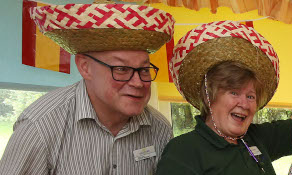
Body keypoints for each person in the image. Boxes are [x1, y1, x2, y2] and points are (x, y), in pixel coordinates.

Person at [0, 3, 175, 175]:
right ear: (85, 67)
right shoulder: (40, 126)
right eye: (121, 69)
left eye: (144, 70)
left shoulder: (159, 129)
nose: (138, 83)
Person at [154, 21, 292, 175]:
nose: (244, 103)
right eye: (234, 92)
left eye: (251, 96)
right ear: (209, 97)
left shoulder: (255, 137)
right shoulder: (183, 151)